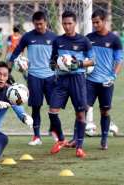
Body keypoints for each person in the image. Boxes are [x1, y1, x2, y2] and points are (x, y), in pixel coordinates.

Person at [49, 11, 94, 158]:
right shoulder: (57, 41)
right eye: (64, 23)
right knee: (52, 111)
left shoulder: (84, 41)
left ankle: (79, 147)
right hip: (61, 80)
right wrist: (58, 65)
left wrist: (78, 64)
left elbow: (93, 61)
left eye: (70, 23)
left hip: (77, 79)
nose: (67, 26)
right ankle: (61, 139)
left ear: (75, 23)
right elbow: (52, 62)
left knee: (80, 114)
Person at [9, 11, 57, 146]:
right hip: (34, 76)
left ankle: (53, 130)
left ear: (46, 23)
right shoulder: (27, 37)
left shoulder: (54, 37)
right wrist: (8, 69)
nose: (39, 27)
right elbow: (16, 52)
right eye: (36, 24)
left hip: (50, 76)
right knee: (36, 107)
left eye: (41, 24)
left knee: (53, 106)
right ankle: (36, 137)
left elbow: (58, 56)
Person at [83, 10, 122, 149]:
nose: (95, 25)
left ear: (104, 21)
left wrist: (113, 76)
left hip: (106, 82)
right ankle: (77, 140)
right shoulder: (88, 38)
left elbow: (119, 60)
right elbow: (83, 56)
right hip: (90, 81)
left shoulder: (114, 39)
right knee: (83, 109)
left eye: (97, 22)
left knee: (104, 111)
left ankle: (104, 139)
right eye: (93, 22)